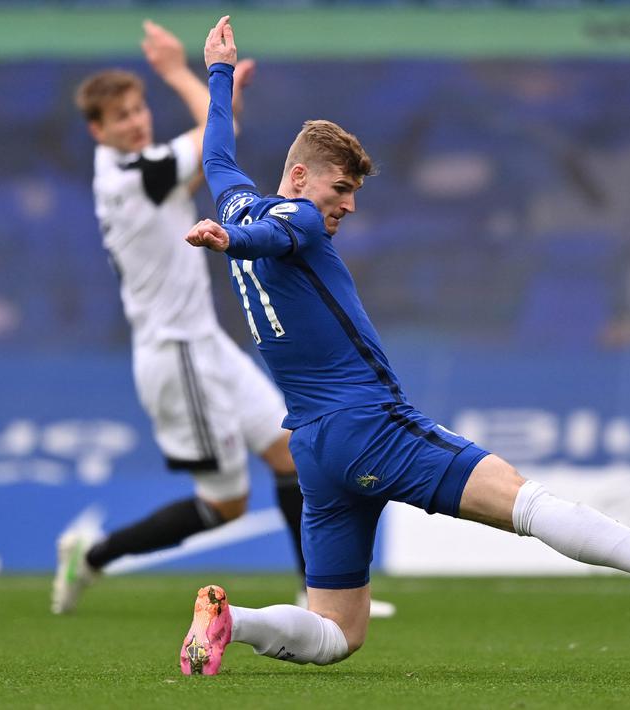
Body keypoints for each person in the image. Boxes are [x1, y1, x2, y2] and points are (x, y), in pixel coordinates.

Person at [176, 16, 630, 675]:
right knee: (526, 501)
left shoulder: (234, 202)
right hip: (368, 425)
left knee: (338, 632)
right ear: (302, 176)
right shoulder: (296, 219)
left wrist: (219, 76)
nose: (346, 207)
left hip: (314, 445)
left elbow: (217, 157)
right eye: (340, 189)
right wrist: (233, 243)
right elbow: (281, 233)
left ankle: (233, 620)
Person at [54, 19, 394, 619]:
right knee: (226, 505)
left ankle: (314, 596)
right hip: (175, 352)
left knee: (289, 453)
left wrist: (219, 93)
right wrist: (184, 75)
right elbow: (215, 139)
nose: (136, 121)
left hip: (203, 343)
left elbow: (212, 142)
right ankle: (93, 555)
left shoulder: (149, 170)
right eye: (121, 117)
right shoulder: (137, 174)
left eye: (139, 108)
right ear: (97, 132)